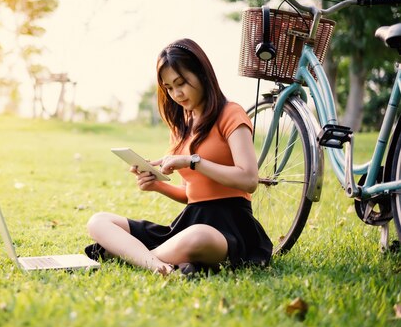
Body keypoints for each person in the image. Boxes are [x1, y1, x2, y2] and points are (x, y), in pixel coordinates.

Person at [85, 38, 272, 276]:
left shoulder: (231, 114)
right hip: (188, 222)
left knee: (197, 237)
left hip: (228, 226)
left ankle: (131, 253)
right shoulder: (181, 127)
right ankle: (158, 263)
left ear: (202, 73)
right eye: (169, 88)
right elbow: (191, 194)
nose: (176, 93)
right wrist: (157, 186)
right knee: (98, 221)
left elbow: (249, 179)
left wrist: (193, 161)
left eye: (181, 83)